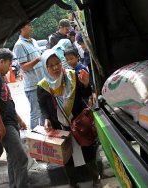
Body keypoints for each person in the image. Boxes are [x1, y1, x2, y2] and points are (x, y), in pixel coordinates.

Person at [37, 50, 101, 188]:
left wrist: (85, 84)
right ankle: (73, 183)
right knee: (66, 157)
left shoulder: (72, 76)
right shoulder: (42, 86)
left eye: (57, 63)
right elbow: (42, 106)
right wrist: (47, 119)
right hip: (60, 126)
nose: (55, 68)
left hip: (79, 123)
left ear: (61, 62)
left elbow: (85, 93)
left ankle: (96, 179)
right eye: (50, 65)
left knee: (88, 151)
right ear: (44, 67)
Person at [0, 48, 29, 188]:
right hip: (5, 126)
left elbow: (6, 102)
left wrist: (19, 120)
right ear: (1, 61)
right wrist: (1, 126)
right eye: (9, 64)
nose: (10, 68)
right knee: (21, 159)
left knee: (13, 160)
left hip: (10, 124)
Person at [13, 22, 44, 129]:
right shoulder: (19, 45)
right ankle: (35, 139)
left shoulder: (33, 41)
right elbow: (24, 67)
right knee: (35, 113)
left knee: (44, 111)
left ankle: (44, 136)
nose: (31, 27)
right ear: (21, 28)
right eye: (29, 25)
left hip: (42, 83)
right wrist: (38, 59)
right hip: (32, 85)